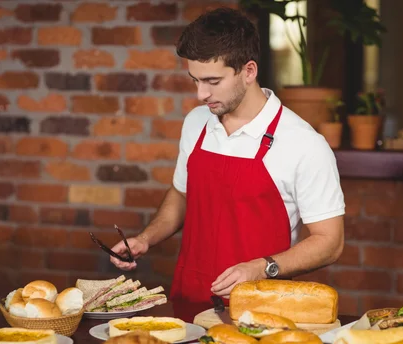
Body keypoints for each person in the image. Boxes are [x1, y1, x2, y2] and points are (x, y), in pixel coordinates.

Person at [110, 7, 345, 304]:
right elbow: (182, 194)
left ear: (248, 71)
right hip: (189, 300)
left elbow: (330, 242)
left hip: (260, 311)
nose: (201, 94)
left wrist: (263, 267)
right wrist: (146, 238)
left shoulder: (303, 143)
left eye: (212, 81)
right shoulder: (196, 122)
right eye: (195, 80)